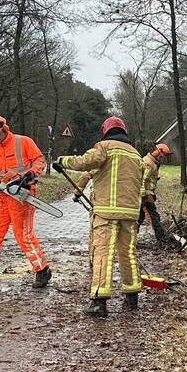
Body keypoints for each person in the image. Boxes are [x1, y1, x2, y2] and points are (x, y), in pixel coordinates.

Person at [53, 116, 145, 317]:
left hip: (106, 212)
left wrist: (62, 161)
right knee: (128, 253)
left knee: (103, 253)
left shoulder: (105, 147)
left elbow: (87, 162)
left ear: (105, 131)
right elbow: (141, 184)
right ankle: (132, 296)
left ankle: (99, 301)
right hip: (130, 213)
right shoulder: (136, 154)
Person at [0, 114, 50, 293]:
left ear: (3, 128)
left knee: (23, 235)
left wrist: (30, 174)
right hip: (2, 196)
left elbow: (40, 161)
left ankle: (42, 270)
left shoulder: (23, 142)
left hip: (22, 194)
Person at [140, 143, 173, 245]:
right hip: (144, 194)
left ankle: (129, 238)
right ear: (159, 152)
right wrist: (144, 197)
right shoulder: (148, 163)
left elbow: (150, 179)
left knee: (141, 216)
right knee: (153, 216)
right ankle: (161, 239)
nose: (164, 158)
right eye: (164, 155)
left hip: (147, 192)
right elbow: (142, 180)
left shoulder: (153, 162)